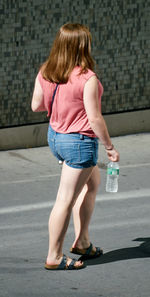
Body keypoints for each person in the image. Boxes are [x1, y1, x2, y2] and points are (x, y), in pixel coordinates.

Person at [31, 23, 120, 270]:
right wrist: (110, 147)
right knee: (64, 200)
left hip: (56, 137)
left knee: (92, 184)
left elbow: (36, 105)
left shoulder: (46, 71)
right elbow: (94, 118)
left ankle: (82, 242)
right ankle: (54, 256)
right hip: (78, 143)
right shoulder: (87, 78)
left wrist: (62, 102)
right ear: (82, 46)